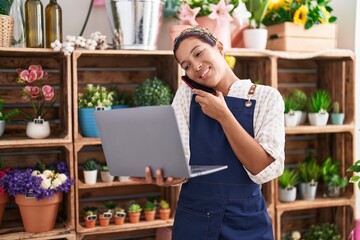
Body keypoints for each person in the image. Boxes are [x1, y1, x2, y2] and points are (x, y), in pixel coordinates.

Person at [130, 26, 285, 240]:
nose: (196, 66)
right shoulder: (186, 96)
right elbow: (181, 163)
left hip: (246, 223)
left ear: (219, 48)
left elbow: (263, 169)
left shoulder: (267, 97)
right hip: (194, 220)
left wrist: (224, 115)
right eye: (186, 65)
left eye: (199, 53)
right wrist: (168, 176)